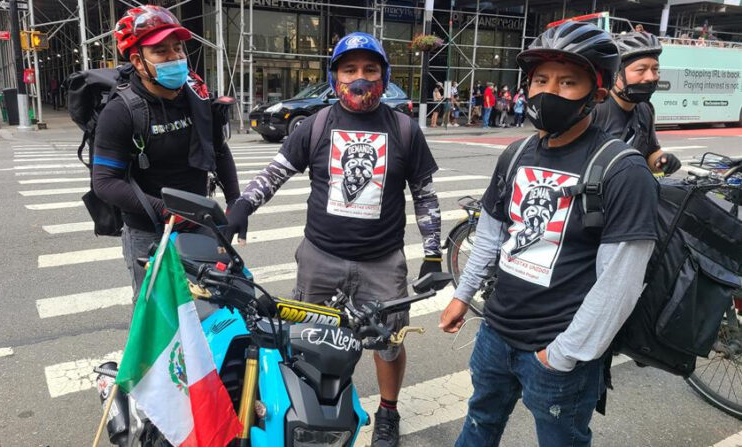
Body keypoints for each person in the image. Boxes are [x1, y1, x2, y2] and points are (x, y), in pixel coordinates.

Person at [439, 21, 658, 447]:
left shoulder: (623, 169)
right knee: (479, 424)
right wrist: (462, 296)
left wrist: (560, 356)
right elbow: (490, 233)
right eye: (541, 79)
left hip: (558, 352)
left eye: (567, 81)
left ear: (596, 91)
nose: (548, 92)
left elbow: (622, 282)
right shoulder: (516, 153)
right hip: (495, 334)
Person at [226, 32, 441, 447]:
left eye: (370, 70)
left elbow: (425, 195)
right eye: (349, 70)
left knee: (389, 344)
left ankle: (389, 413)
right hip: (320, 258)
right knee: (304, 338)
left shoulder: (404, 130)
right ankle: (308, 407)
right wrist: (241, 208)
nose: (360, 80)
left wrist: (432, 255)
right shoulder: (316, 125)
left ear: (385, 76)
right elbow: (275, 173)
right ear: (334, 77)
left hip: (382, 262)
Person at [92, 5, 240, 299]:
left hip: (201, 224)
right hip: (149, 232)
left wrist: (235, 202)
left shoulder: (197, 95)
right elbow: (105, 182)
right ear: (137, 60)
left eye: (178, 48)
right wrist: (165, 209)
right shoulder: (121, 111)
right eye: (161, 51)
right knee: (158, 319)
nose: (175, 58)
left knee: (213, 306)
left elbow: (219, 151)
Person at [592, 32, 681, 175]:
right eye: (641, 70)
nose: (651, 77)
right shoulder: (595, 109)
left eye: (655, 69)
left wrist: (662, 161)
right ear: (617, 73)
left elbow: (650, 154)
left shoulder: (645, 109)